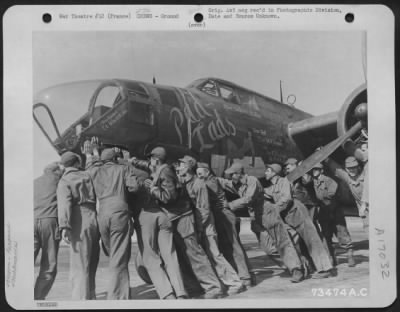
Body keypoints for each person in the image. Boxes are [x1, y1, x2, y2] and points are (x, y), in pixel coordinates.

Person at [130, 147, 223, 299]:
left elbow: (168, 197)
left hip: (182, 217)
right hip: (174, 218)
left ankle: (213, 286)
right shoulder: (160, 168)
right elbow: (146, 165)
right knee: (181, 256)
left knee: (194, 253)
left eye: (151, 159)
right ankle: (195, 288)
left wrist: (152, 189)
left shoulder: (165, 172)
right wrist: (133, 161)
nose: (149, 162)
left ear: (157, 160)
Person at [218, 162, 304, 283]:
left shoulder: (252, 181)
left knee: (282, 242)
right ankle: (294, 264)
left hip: (267, 213)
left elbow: (248, 198)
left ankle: (297, 269)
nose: (230, 177)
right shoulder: (236, 184)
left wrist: (230, 205)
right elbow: (224, 183)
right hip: (255, 217)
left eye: (232, 175)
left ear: (238, 174)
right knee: (268, 248)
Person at [177, 156, 245, 295]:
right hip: (197, 225)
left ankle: (235, 283)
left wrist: (199, 229)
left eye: (181, 164)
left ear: (189, 167)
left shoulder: (199, 184)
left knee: (214, 254)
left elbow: (204, 209)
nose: (179, 166)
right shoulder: (186, 182)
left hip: (205, 226)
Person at [264, 163, 334, 279]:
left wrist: (274, 210)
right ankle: (306, 267)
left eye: (268, 171)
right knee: (295, 243)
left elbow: (286, 199)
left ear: (274, 172)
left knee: (312, 240)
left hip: (298, 212)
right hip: (287, 216)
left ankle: (325, 269)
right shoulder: (271, 187)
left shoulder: (284, 181)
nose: (265, 173)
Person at [86, 148, 139, 299]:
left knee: (114, 255)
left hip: (102, 214)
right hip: (119, 212)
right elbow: (134, 187)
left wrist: (91, 155)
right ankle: (117, 298)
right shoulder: (123, 168)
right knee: (119, 257)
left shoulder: (94, 171)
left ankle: (121, 291)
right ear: (116, 158)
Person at [196, 162, 253, 287]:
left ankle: (245, 277)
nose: (198, 176)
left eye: (200, 173)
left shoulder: (209, 182)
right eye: (197, 174)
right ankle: (246, 274)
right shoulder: (212, 179)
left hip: (224, 215)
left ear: (207, 172)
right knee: (228, 246)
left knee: (233, 246)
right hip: (220, 216)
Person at [57, 152, 100, 300]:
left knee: (79, 263)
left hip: (78, 219)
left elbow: (65, 204)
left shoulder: (65, 180)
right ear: (76, 163)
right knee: (92, 260)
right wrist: (92, 155)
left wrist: (64, 226)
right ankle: (91, 296)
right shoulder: (87, 175)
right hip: (94, 217)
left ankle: (80, 300)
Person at [311, 163, 355, 267]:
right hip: (324, 213)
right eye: (313, 170)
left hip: (335, 211)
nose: (314, 172)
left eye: (316, 169)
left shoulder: (329, 180)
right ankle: (332, 259)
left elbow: (331, 193)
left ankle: (350, 256)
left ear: (321, 170)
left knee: (342, 234)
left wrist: (319, 197)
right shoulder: (313, 182)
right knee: (326, 236)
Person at [34, 162, 63, 300]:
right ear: (57, 171)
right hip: (49, 221)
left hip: (32, 220)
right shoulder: (59, 180)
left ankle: (22, 298)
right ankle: (38, 298)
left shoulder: (35, 182)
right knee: (49, 265)